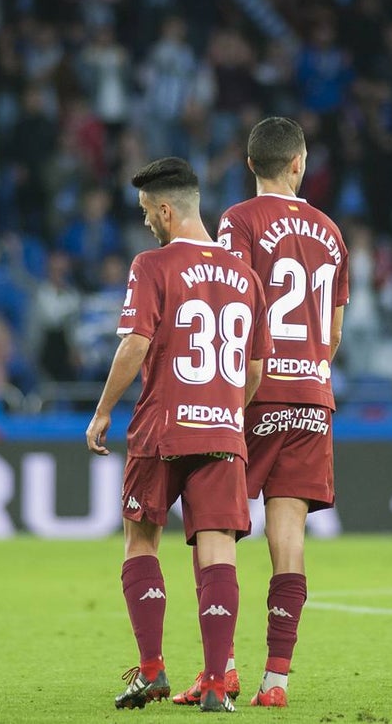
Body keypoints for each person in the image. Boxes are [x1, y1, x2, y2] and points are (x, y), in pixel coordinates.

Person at [171, 117, 349, 708]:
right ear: (299, 163)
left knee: (214, 525)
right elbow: (334, 333)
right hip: (313, 397)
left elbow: (232, 297)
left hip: (253, 395)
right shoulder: (331, 232)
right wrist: (307, 369)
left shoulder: (239, 220)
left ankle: (219, 670)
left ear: (250, 164)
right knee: (289, 535)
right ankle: (276, 680)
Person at [85, 157, 272, 712]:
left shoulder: (152, 265)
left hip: (161, 428)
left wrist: (102, 411)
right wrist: (225, 409)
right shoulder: (247, 276)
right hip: (223, 432)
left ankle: (151, 671)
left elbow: (136, 343)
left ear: (166, 210)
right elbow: (255, 369)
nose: (146, 222)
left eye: (147, 211)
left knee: (141, 539)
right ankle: (216, 682)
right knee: (218, 552)